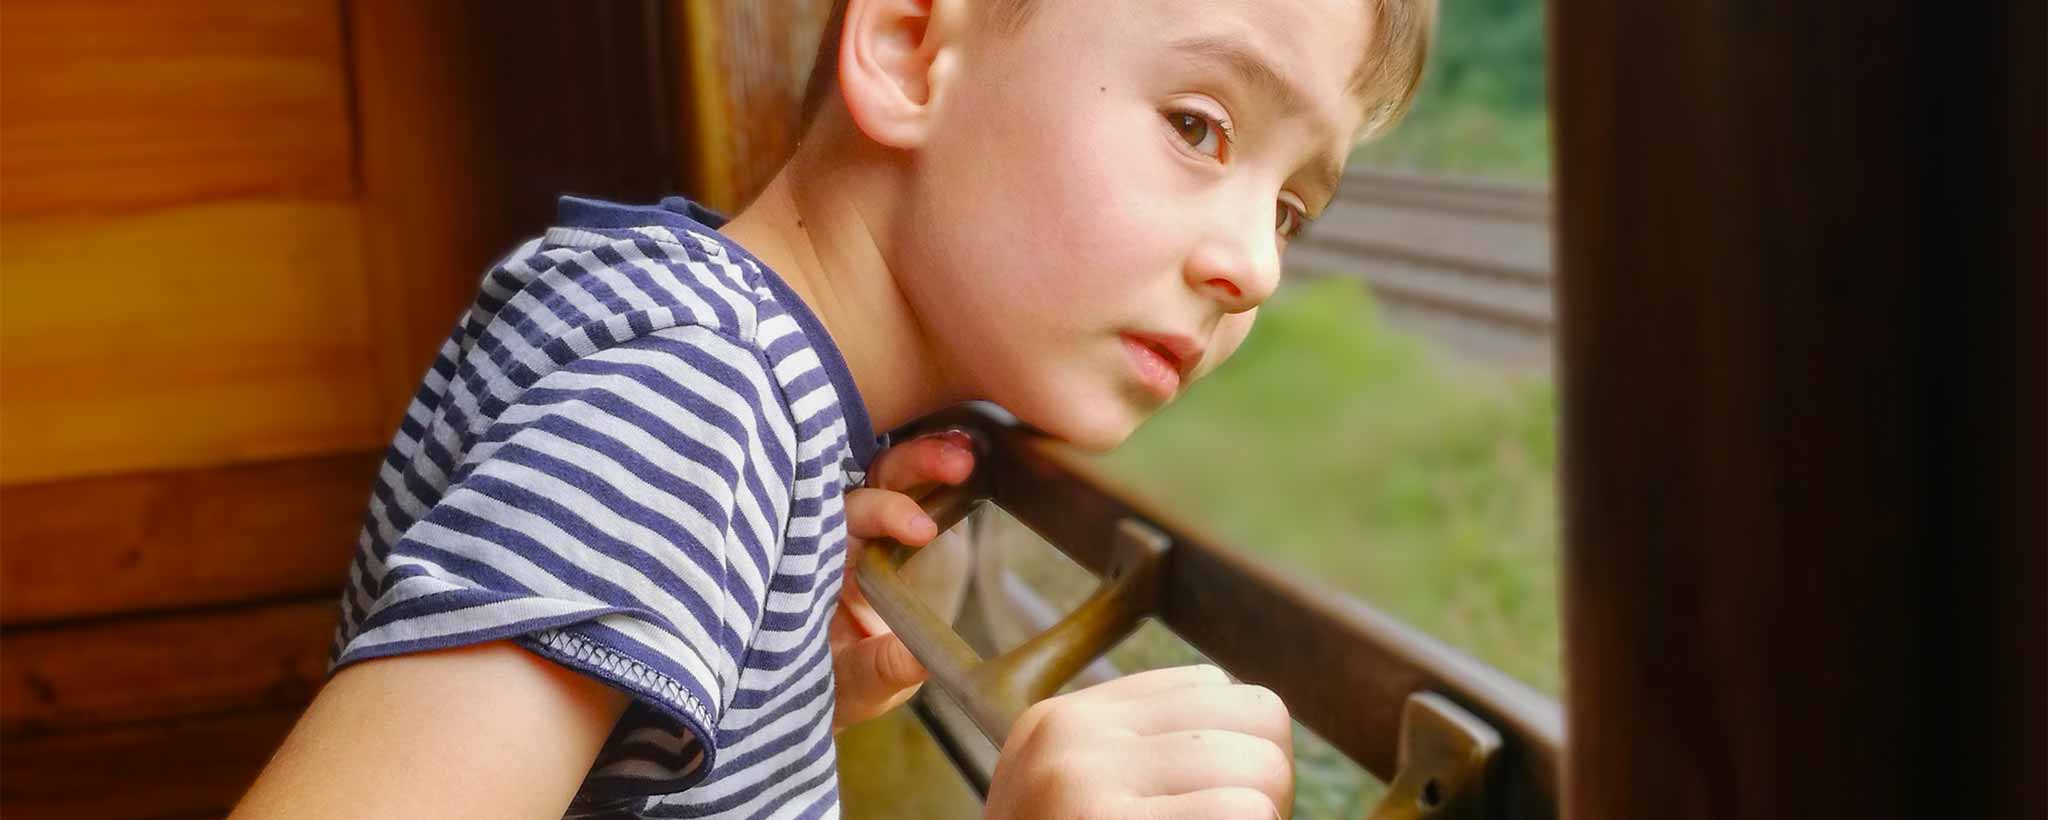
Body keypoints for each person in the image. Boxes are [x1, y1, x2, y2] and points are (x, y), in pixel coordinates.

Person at [228, 0, 1431, 816]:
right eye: (1197, 126)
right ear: (911, 51)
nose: (1255, 270)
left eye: (1288, 210)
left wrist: (780, 677)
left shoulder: (712, 352)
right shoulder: (696, 400)